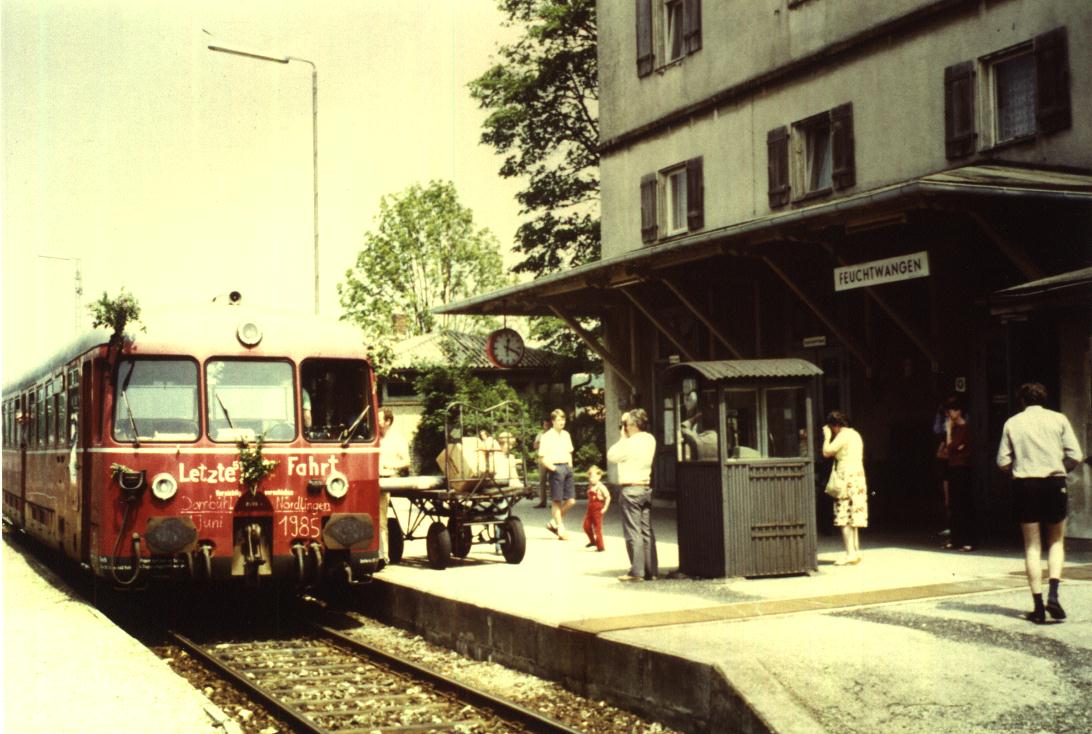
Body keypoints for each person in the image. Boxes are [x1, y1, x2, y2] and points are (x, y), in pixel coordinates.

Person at [996, 383, 1083, 624]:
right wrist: (1059, 468)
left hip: (1026, 485)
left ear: (1022, 401)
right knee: (1056, 541)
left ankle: (1037, 606)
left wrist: (1019, 468)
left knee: (1032, 546)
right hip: (1055, 482)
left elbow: (1002, 461)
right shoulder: (1059, 419)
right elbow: (1075, 455)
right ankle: (1053, 594)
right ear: (1044, 399)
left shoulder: (1012, 423)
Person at [608, 408, 658, 581]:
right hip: (645, 487)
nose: (625, 428)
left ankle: (637, 571)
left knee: (633, 531)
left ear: (634, 425)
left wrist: (622, 437)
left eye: (627, 424)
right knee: (646, 531)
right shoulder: (650, 439)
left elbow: (612, 455)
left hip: (630, 489)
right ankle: (651, 570)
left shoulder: (629, 443)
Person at [822, 410, 867, 566]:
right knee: (854, 515)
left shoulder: (843, 435)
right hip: (858, 477)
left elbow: (826, 451)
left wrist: (827, 437)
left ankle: (849, 553)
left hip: (845, 478)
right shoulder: (855, 435)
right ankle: (855, 551)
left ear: (835, 425)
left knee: (843, 516)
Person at [941, 395, 976, 552]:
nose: (949, 415)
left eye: (951, 411)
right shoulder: (956, 429)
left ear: (958, 411)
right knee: (954, 505)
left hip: (962, 467)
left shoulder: (964, 428)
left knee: (964, 504)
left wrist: (948, 433)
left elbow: (951, 447)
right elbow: (948, 449)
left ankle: (968, 540)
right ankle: (956, 539)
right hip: (953, 466)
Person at [378, 407, 411, 563]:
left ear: (387, 421)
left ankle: (383, 555)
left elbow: (406, 461)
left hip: (386, 479)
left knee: (381, 519)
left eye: (378, 420)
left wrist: (390, 466)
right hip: (372, 479)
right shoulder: (373, 437)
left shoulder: (397, 439)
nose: (376, 422)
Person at [539, 408, 575, 540]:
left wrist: (570, 466)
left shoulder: (566, 435)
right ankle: (560, 528)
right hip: (556, 469)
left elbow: (570, 452)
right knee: (557, 501)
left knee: (571, 500)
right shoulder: (546, 436)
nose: (562, 422)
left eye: (563, 419)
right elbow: (541, 458)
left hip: (567, 468)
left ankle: (553, 522)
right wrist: (553, 469)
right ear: (553, 421)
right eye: (559, 420)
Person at [582, 465, 611, 552]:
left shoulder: (601, 487)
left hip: (598, 509)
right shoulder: (590, 486)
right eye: (590, 477)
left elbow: (608, 497)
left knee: (597, 528)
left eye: (593, 477)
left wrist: (605, 507)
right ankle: (592, 541)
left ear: (599, 476)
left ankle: (600, 546)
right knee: (586, 525)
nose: (591, 479)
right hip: (590, 508)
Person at [532, 419, 550, 507]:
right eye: (544, 424)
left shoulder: (552, 434)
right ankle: (542, 502)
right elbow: (535, 446)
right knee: (542, 481)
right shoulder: (540, 434)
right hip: (542, 459)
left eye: (547, 424)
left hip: (551, 459)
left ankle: (555, 502)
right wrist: (542, 443)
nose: (546, 425)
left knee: (553, 481)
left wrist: (541, 443)